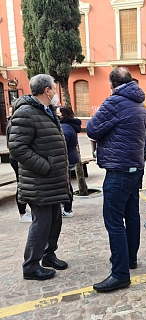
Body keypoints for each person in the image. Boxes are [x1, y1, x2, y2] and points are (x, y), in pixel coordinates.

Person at [86, 67, 146, 292]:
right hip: (135, 167)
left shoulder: (115, 102)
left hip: (119, 170)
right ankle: (130, 259)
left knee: (113, 220)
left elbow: (92, 129)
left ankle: (120, 273)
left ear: (111, 84)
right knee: (131, 215)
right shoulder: (140, 102)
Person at [7, 74, 70, 281]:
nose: (56, 93)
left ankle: (48, 255)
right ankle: (31, 266)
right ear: (47, 91)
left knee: (54, 221)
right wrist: (45, 167)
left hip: (52, 181)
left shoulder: (47, 111)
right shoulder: (26, 113)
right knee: (41, 224)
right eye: (54, 88)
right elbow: (17, 148)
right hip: (39, 182)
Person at [6, 107, 32, 223]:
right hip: (18, 159)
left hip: (17, 158)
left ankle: (25, 211)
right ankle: (22, 213)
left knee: (24, 183)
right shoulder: (14, 125)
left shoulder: (14, 123)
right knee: (22, 184)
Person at [57, 106, 82, 218]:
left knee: (65, 184)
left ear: (63, 115)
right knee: (66, 183)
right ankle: (67, 208)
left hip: (66, 158)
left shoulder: (65, 127)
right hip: (70, 158)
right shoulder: (69, 125)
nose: (55, 114)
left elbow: (62, 144)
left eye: (57, 112)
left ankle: (67, 209)